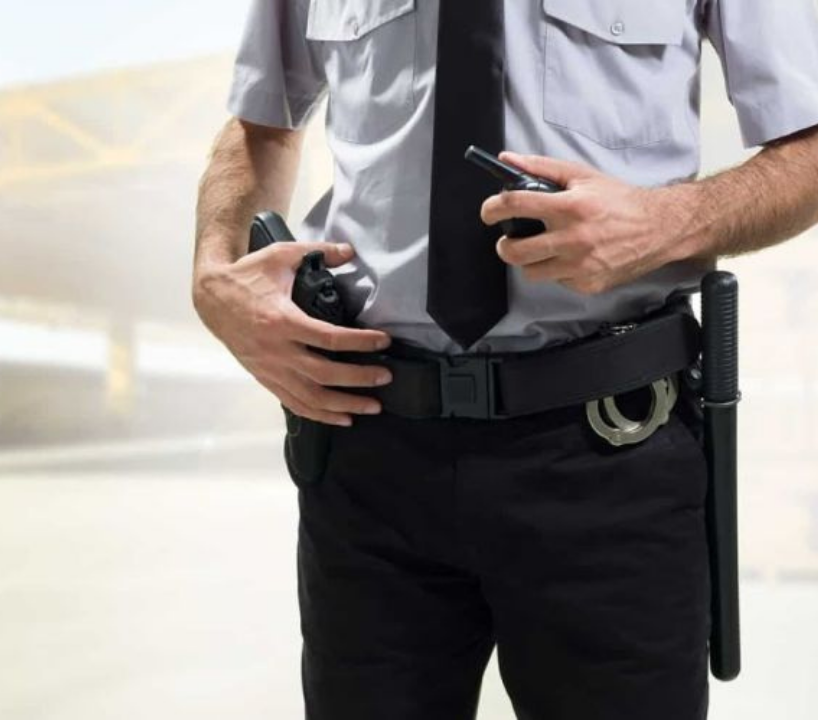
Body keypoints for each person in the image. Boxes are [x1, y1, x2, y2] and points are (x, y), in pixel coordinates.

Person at [191, 1, 818, 718]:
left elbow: (808, 146)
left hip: (608, 459)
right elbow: (261, 125)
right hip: (369, 460)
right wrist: (214, 275)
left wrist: (663, 221)